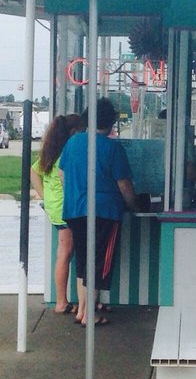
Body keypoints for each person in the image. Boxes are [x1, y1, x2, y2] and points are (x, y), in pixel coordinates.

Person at [59, 97, 141, 326]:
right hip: (104, 212)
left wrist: (75, 192)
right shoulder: (112, 147)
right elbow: (124, 185)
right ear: (111, 122)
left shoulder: (73, 142)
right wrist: (134, 205)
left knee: (83, 260)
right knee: (98, 264)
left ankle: (81, 310)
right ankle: (89, 314)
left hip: (74, 210)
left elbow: (61, 173)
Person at [29, 113, 80, 315]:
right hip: (65, 209)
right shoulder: (66, 154)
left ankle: (64, 300)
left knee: (64, 253)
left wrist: (44, 195)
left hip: (55, 206)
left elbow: (33, 171)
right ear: (73, 132)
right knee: (65, 253)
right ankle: (61, 302)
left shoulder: (52, 152)